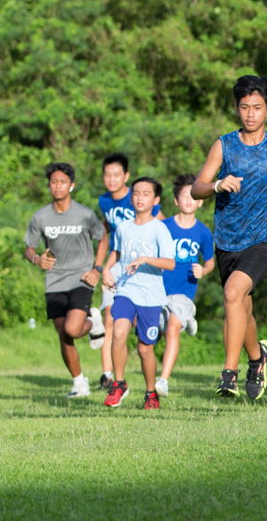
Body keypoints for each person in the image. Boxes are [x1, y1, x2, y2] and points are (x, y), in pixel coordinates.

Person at [192, 75, 267, 399]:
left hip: (263, 238)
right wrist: (217, 185)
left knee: (233, 292)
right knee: (241, 305)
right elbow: (197, 187)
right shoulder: (223, 145)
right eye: (244, 107)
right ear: (237, 109)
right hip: (227, 239)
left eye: (257, 108)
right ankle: (257, 359)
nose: (250, 114)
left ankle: (228, 374)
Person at [24, 162, 108, 398]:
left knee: (72, 329)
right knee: (63, 334)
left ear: (71, 185)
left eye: (62, 182)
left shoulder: (84, 214)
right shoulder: (40, 216)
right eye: (53, 181)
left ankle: (93, 322)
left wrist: (97, 269)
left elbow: (102, 239)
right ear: (49, 185)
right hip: (54, 281)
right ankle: (79, 383)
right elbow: (28, 248)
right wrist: (36, 260)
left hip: (81, 277)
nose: (57, 186)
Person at [100, 177, 176, 409]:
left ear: (156, 200)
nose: (139, 197)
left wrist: (145, 260)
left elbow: (170, 263)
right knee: (119, 331)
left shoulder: (159, 229)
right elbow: (117, 251)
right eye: (136, 193)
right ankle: (119, 383)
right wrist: (105, 269)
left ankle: (151, 393)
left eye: (145, 194)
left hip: (151, 296)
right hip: (126, 289)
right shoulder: (123, 227)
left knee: (145, 348)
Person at [92, 153, 162, 389]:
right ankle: (108, 375)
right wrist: (102, 268)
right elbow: (106, 237)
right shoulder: (105, 202)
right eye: (107, 175)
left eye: (116, 175)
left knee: (140, 336)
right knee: (111, 318)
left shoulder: (140, 199)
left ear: (126, 176)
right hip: (118, 267)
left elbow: (160, 226)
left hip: (143, 271)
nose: (111, 179)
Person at [155, 174, 214, 398]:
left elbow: (209, 262)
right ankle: (188, 320)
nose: (189, 200)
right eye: (184, 196)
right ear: (176, 201)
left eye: (193, 196)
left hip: (184, 293)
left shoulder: (203, 232)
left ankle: (164, 380)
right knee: (151, 334)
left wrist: (204, 270)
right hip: (159, 291)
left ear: (200, 201)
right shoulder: (163, 227)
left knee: (172, 326)